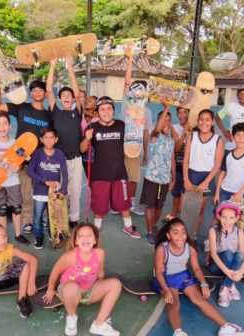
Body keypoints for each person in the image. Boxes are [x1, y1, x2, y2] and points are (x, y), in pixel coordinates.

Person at [153, 217, 244, 336]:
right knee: (174, 304)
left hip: (183, 276)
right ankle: (178, 332)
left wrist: (203, 283)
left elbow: (196, 268)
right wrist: (166, 290)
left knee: (199, 299)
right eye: (176, 233)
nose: (181, 236)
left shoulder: (190, 247)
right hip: (166, 278)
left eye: (183, 232)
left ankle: (226, 327)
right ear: (168, 235)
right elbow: (158, 272)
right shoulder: (162, 248)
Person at [0, 76, 52, 235]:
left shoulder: (48, 115)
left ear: (45, 94)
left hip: (40, 160)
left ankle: (43, 218)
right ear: (31, 93)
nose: (38, 92)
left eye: (41, 90)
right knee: (25, 192)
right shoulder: (21, 107)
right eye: (34, 90)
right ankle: (28, 221)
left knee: (41, 192)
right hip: (21, 159)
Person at [42, 222, 122, 336]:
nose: (85, 238)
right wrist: (50, 289)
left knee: (116, 284)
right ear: (76, 241)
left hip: (89, 290)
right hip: (68, 292)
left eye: (89, 235)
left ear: (95, 240)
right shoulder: (70, 256)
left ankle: (99, 325)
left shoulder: (100, 253)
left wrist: (101, 286)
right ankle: (71, 318)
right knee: (72, 287)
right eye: (81, 236)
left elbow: (100, 271)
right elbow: (55, 272)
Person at [80, 97, 140, 238]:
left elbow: (134, 141)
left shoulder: (122, 125)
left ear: (113, 110)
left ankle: (128, 227)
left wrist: (138, 125)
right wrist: (87, 138)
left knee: (124, 204)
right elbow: (82, 149)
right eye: (102, 109)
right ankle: (96, 229)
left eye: (109, 108)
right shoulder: (91, 127)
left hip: (119, 173)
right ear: (97, 112)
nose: (106, 112)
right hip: (100, 174)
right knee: (99, 206)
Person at [0, 112, 29, 244]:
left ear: (10, 126)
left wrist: (17, 168)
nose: (2, 127)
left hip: (13, 181)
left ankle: (18, 234)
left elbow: (21, 163)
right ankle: (3, 236)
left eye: (5, 123)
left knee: (16, 208)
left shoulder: (15, 143)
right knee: (1, 210)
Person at [47, 55, 82, 229]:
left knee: (75, 191)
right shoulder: (56, 112)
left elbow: (77, 91)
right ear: (60, 99)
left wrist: (70, 66)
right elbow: (48, 92)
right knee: (61, 190)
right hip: (59, 159)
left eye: (69, 95)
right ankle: (59, 219)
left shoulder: (77, 112)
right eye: (64, 95)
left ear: (73, 99)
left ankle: (74, 219)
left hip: (75, 159)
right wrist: (53, 65)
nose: (67, 97)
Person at [121, 46, 153, 216]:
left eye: (141, 90)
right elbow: (126, 82)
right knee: (120, 178)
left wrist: (145, 153)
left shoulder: (146, 111)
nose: (137, 92)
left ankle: (131, 203)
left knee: (133, 177)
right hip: (122, 147)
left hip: (137, 148)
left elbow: (146, 133)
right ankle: (118, 203)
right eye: (135, 89)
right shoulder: (126, 104)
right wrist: (130, 60)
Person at [182, 109, 224, 239]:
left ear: (212, 122)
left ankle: (193, 236)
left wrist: (205, 183)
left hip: (207, 177)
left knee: (199, 209)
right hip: (191, 175)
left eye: (207, 120)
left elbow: (217, 165)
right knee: (185, 208)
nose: (204, 122)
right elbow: (186, 160)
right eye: (201, 119)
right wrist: (186, 179)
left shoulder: (218, 140)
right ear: (197, 121)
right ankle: (182, 235)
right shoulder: (192, 136)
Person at [139, 99, 175, 245]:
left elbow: (172, 159)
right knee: (150, 206)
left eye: (169, 120)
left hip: (165, 180)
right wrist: (166, 108)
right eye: (163, 120)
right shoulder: (155, 136)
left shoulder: (171, 140)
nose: (166, 123)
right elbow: (159, 128)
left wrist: (174, 179)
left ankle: (153, 226)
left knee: (159, 207)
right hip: (152, 178)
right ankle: (149, 231)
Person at [27, 127, 68, 249]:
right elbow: (30, 171)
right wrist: (45, 181)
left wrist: (63, 190)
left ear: (56, 139)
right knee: (38, 217)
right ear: (41, 139)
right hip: (40, 192)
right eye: (46, 138)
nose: (49, 140)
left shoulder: (59, 154)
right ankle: (38, 237)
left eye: (51, 138)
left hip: (54, 193)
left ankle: (52, 234)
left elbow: (65, 174)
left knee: (53, 216)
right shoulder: (37, 153)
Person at [208, 201, 244, 308]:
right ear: (219, 217)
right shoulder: (213, 231)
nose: (227, 221)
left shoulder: (239, 232)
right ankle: (230, 283)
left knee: (240, 256)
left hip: (230, 268)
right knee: (229, 254)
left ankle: (226, 286)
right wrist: (230, 273)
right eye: (224, 217)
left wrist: (241, 272)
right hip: (215, 266)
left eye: (231, 218)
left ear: (236, 219)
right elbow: (214, 255)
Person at [214, 122, 244, 206]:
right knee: (219, 217)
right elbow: (222, 174)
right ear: (232, 137)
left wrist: (240, 193)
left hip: (241, 194)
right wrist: (217, 192)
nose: (241, 138)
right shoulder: (228, 155)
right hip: (225, 190)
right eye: (238, 135)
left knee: (238, 218)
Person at [170, 106, 190, 217]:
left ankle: (182, 216)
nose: (182, 115)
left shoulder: (196, 127)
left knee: (186, 193)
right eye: (179, 112)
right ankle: (173, 216)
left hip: (190, 166)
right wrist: (184, 133)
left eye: (185, 112)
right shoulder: (174, 127)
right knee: (176, 193)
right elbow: (176, 149)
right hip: (178, 165)